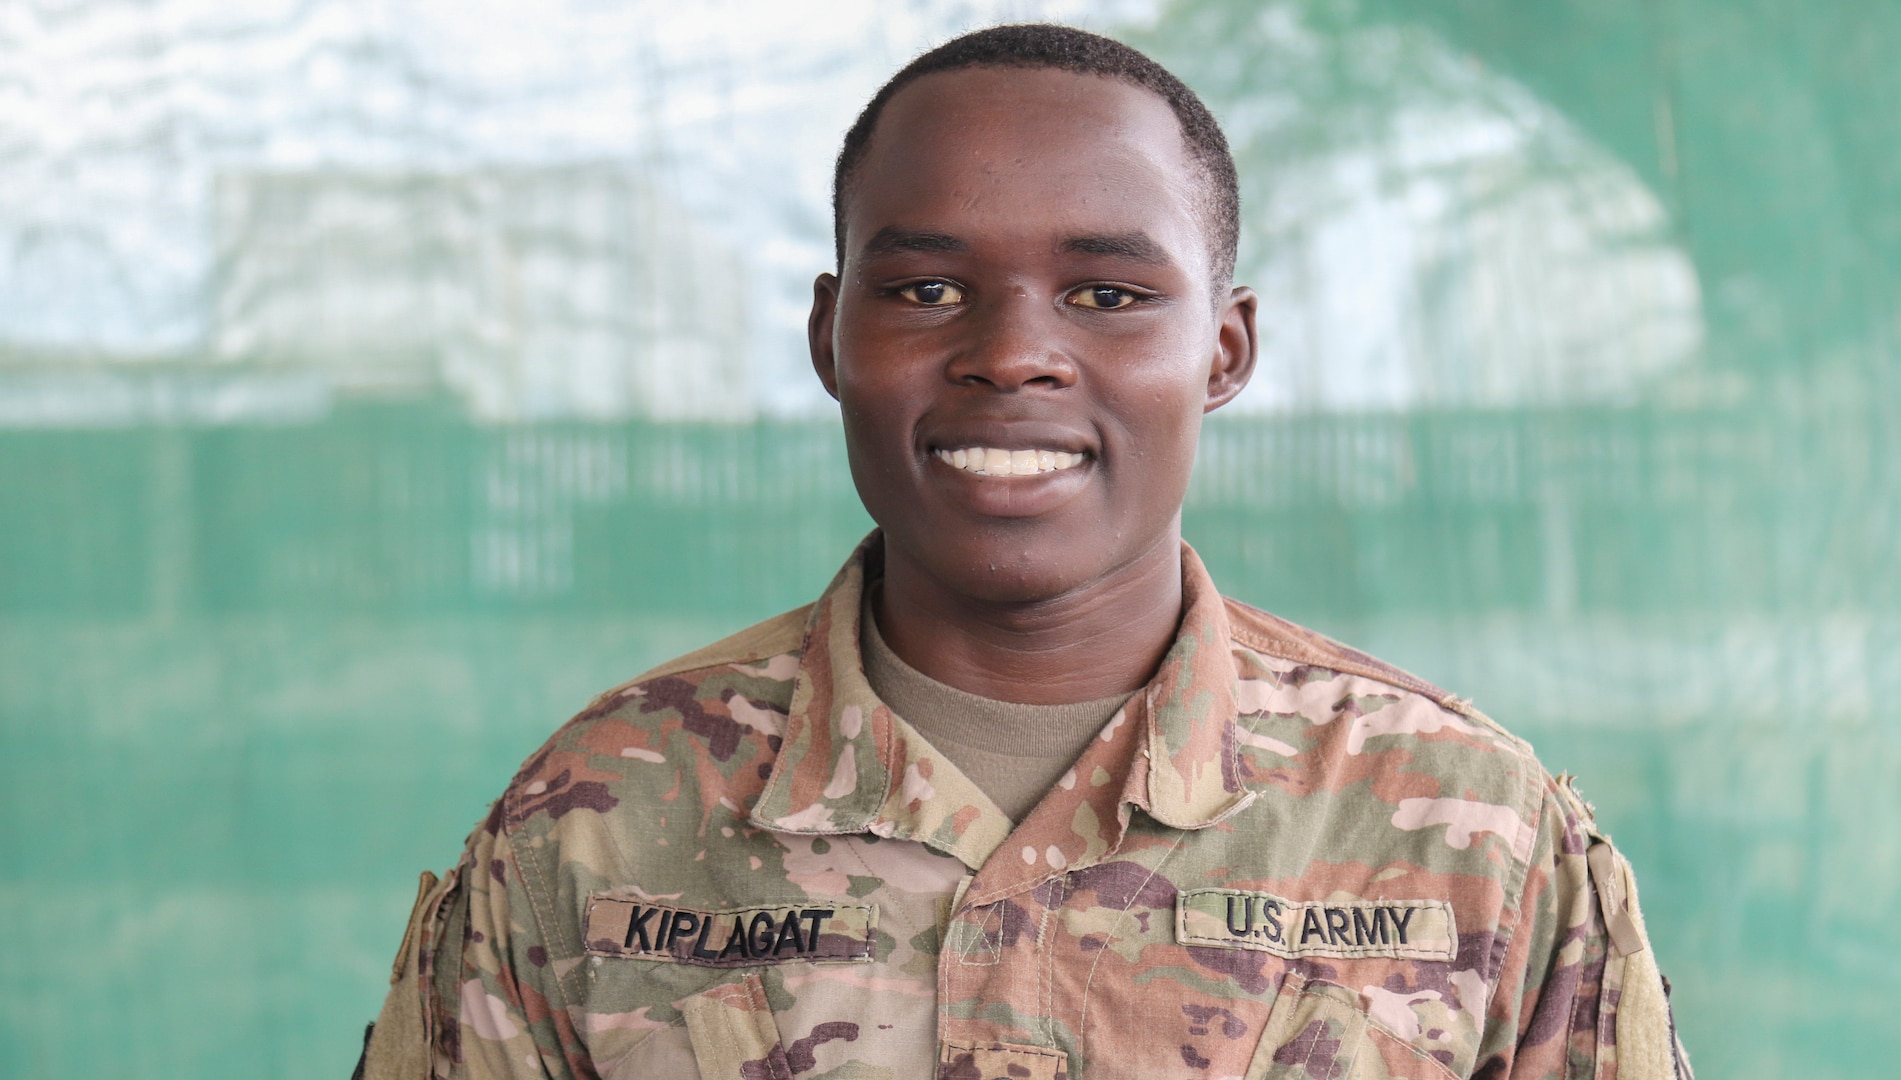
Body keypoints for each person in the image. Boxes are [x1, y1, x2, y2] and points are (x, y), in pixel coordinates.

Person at [358, 23, 1692, 1080]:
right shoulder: (597, 818)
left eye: (1107, 295)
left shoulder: (1472, 829)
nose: (1009, 354)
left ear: (1221, 350)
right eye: (925, 290)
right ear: (831, 336)